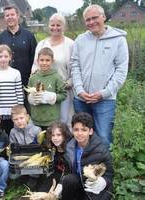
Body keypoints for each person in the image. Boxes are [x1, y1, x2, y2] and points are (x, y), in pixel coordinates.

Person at [70, 4, 128, 148]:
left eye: (94, 18)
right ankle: (84, 166)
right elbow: (75, 66)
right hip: (81, 99)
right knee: (82, 136)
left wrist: (104, 93)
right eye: (87, 20)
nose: (91, 22)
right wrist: (79, 90)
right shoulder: (80, 40)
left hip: (105, 100)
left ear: (103, 17)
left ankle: (103, 169)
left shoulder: (118, 40)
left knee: (103, 137)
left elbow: (121, 70)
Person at [31, 13, 75, 126]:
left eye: (58, 25)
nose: (55, 28)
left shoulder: (71, 45)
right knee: (47, 121)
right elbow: (35, 67)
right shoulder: (42, 44)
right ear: (49, 26)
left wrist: (70, 82)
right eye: (52, 25)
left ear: (64, 27)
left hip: (63, 88)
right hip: (44, 90)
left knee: (63, 121)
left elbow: (76, 68)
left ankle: (63, 143)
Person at [61, 112, 113, 200]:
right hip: (78, 182)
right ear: (72, 130)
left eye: (84, 130)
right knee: (68, 180)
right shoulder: (69, 146)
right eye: (76, 130)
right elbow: (67, 171)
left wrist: (102, 182)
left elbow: (109, 174)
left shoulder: (100, 150)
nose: (79, 133)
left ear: (90, 131)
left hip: (94, 187)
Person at [0, 5, 37, 97]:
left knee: (26, 111)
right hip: (5, 83)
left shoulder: (29, 36)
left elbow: (35, 59)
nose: (10, 17)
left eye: (12, 14)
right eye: (7, 15)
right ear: (4, 18)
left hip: (26, 83)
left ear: (18, 16)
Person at [0, 44, 24, 134]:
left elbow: (19, 92)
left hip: (13, 111)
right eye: (0, 56)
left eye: (6, 56)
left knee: (13, 133)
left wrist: (20, 109)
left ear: (10, 57)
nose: (3, 59)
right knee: (1, 134)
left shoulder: (16, 73)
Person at [28, 47, 67, 130]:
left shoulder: (57, 77)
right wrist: (31, 98)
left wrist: (53, 97)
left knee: (51, 141)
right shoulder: (33, 78)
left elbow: (63, 94)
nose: (44, 63)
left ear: (52, 61)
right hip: (36, 119)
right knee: (38, 142)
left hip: (52, 119)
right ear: (37, 61)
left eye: (47, 60)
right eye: (41, 60)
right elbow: (28, 93)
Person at [37, 122, 71, 193]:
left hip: (69, 176)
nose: (55, 138)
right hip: (56, 174)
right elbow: (40, 147)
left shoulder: (70, 149)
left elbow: (69, 169)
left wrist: (60, 185)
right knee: (41, 192)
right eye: (53, 135)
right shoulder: (52, 147)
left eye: (58, 135)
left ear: (64, 135)